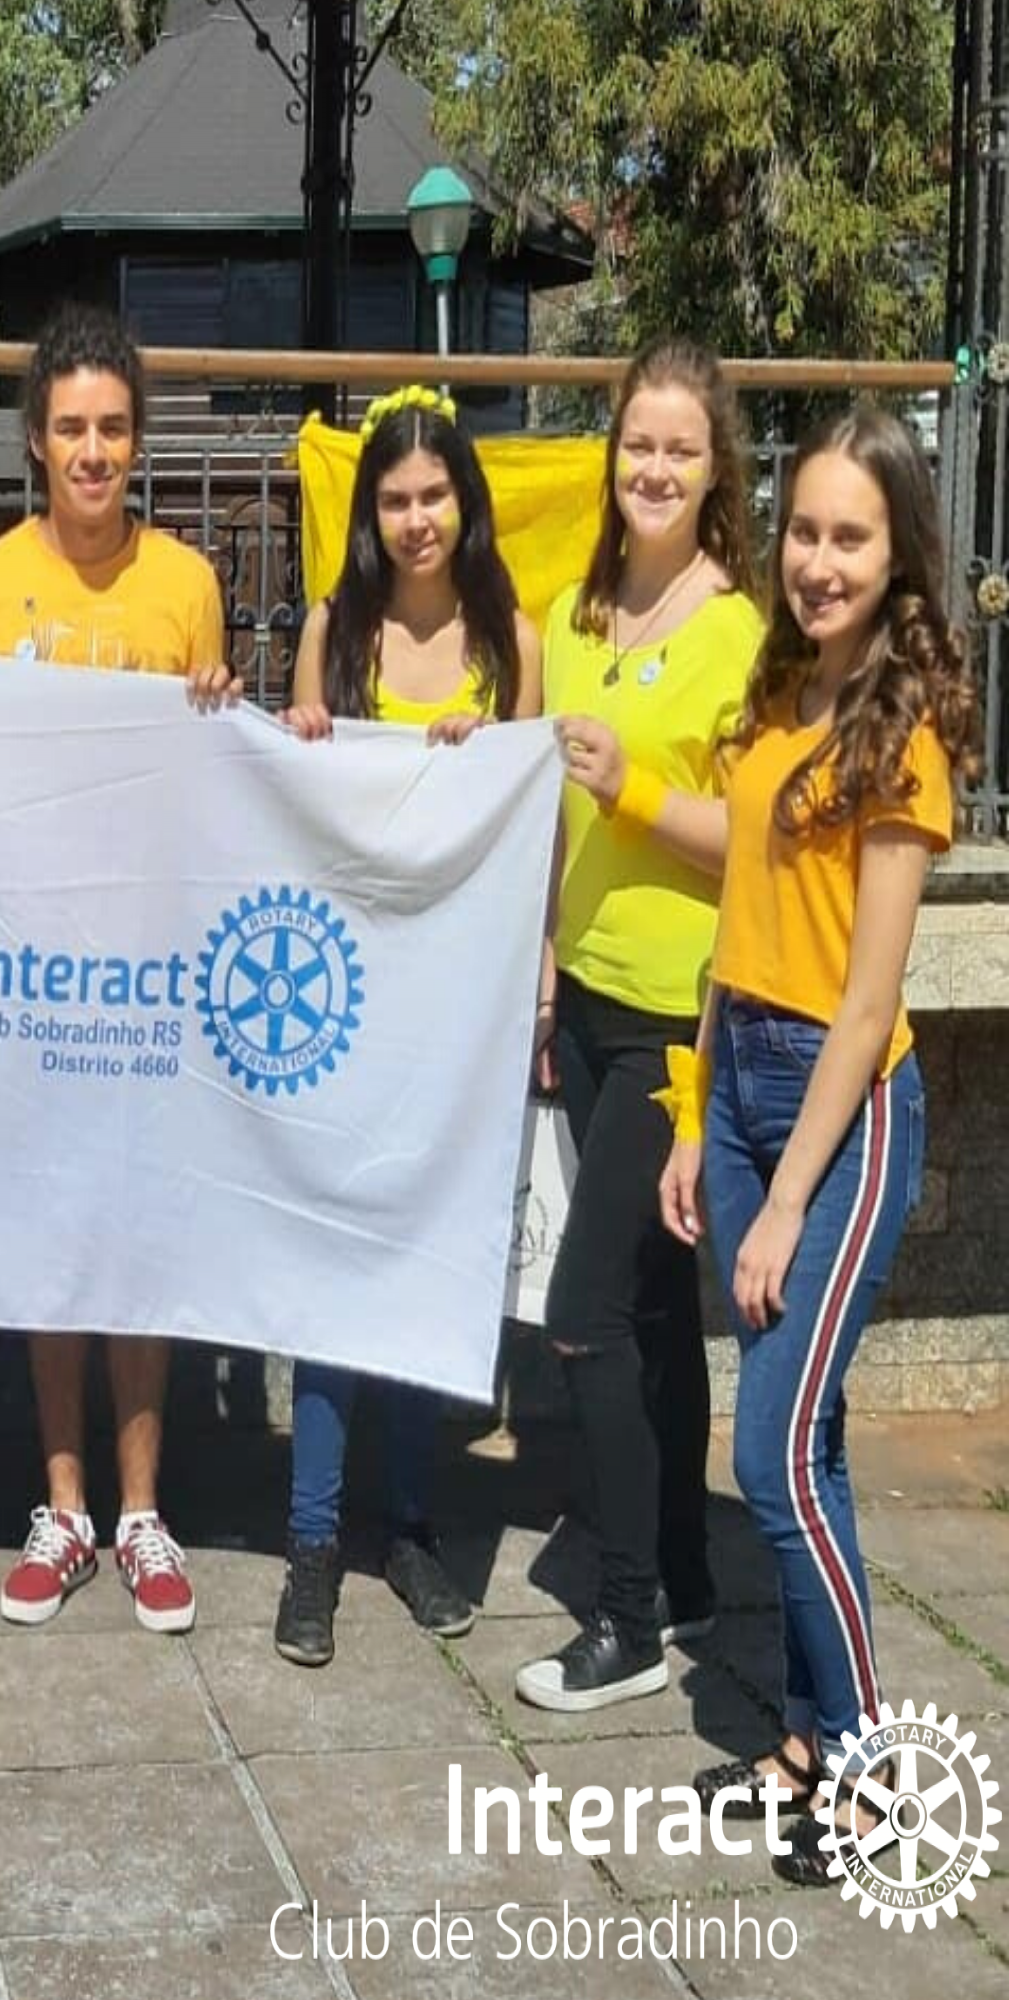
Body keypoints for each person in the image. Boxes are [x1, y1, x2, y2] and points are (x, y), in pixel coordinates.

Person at [662, 406, 976, 1883]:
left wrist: (787, 1200)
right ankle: (803, 1735)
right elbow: (740, 937)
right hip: (739, 1095)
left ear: (899, 553)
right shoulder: (778, 692)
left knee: (772, 1452)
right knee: (819, 1444)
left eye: (851, 536)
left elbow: (866, 1008)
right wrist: (693, 1115)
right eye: (803, 531)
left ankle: (868, 1776)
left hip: (844, 1125)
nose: (819, 561)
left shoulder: (904, 737)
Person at [0, 301, 235, 1634]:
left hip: (151, 972)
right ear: (36, 444)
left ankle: (143, 1513)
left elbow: (224, 782)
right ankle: (63, 1507)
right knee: (59, 1243)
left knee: (141, 1245)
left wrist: (225, 719)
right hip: (34, 977)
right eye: (71, 429)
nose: (94, 451)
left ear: (137, 440)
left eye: (113, 428)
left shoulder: (189, 583)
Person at [274, 384, 543, 1665]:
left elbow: (532, 823)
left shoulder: (511, 635)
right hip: (342, 994)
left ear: (464, 502)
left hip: (458, 1005)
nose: (417, 516)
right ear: (368, 512)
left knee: (426, 1262)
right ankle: (312, 1541)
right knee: (332, 1267)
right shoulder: (333, 627)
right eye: (393, 497)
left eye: (434, 494)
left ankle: (410, 1522)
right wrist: (309, 734)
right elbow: (291, 802)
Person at [516, 337, 765, 1712]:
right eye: (637, 446)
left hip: (686, 1013)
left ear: (715, 464)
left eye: (681, 448)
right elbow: (555, 814)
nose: (655, 468)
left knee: (586, 1312)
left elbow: (758, 844)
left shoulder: (741, 630)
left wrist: (636, 796)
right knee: (661, 1319)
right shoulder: (576, 615)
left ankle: (619, 1621)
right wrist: (552, 960)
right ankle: (681, 1574)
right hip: (597, 995)